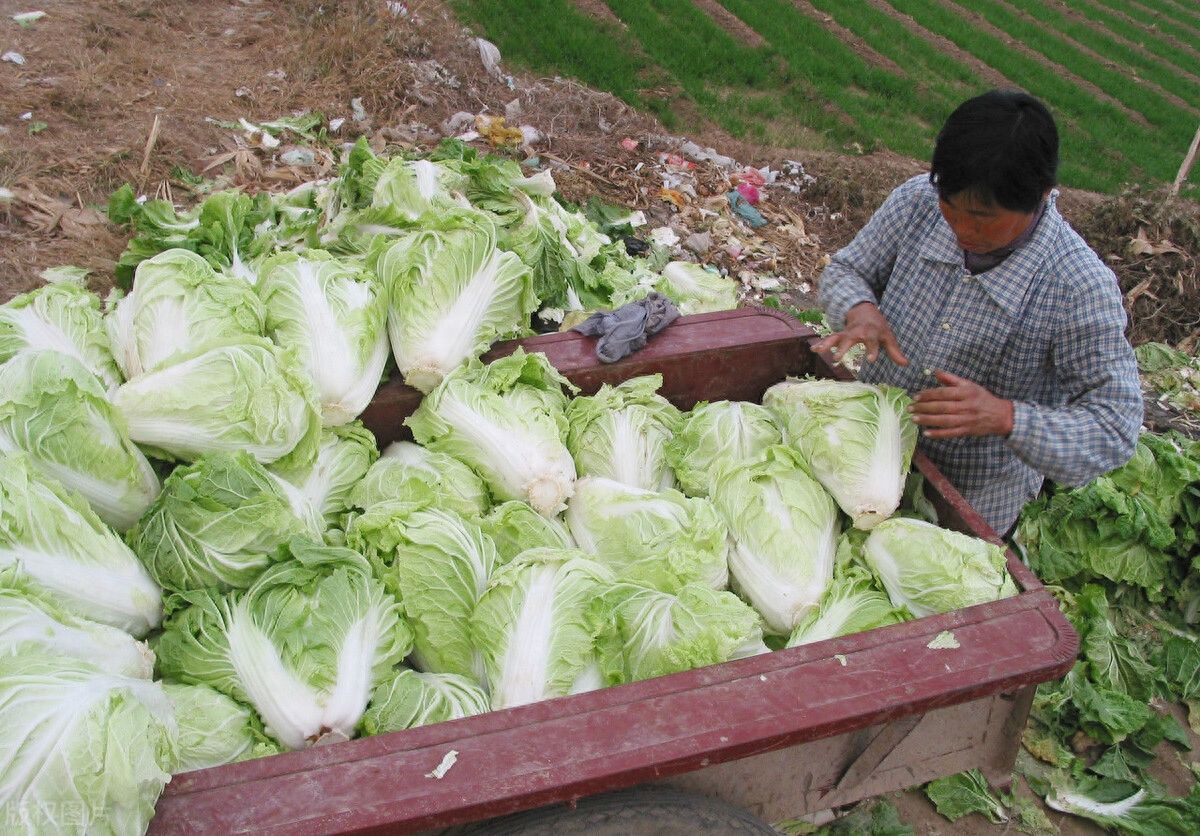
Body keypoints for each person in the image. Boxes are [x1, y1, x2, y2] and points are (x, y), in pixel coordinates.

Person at [813, 89, 1142, 536]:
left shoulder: (1077, 286)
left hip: (968, 497)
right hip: (863, 448)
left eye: (984, 219)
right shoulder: (917, 203)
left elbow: (1115, 427)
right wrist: (860, 308)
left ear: (1041, 196)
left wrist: (1006, 417)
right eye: (953, 211)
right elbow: (848, 269)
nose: (964, 231)